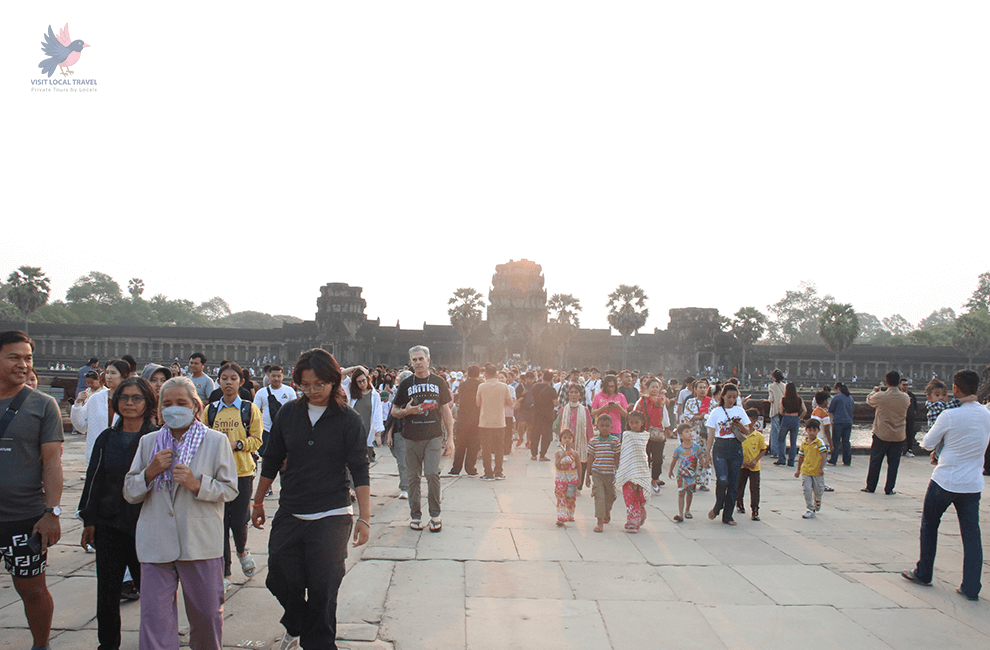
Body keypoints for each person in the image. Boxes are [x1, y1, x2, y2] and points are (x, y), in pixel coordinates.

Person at [251, 348, 371, 650]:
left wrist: (365, 517)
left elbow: (359, 468)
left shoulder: (348, 419)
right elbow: (273, 458)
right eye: (305, 385)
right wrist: (258, 500)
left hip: (332, 513)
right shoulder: (289, 413)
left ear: (333, 381)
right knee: (278, 575)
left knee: (324, 588)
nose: (313, 391)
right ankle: (297, 621)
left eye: (320, 384)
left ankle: (318, 643)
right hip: (292, 509)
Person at [123, 376, 238, 650]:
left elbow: (230, 489)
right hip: (156, 540)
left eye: (181, 403)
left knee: (207, 617)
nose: (174, 408)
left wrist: (197, 484)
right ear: (159, 408)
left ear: (196, 406)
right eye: (168, 403)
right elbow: (130, 491)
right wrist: (150, 472)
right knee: (155, 619)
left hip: (199, 540)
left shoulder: (215, 441)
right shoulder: (150, 442)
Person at [79, 376, 158, 650]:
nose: (129, 403)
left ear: (148, 402)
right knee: (108, 591)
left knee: (151, 592)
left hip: (145, 526)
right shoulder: (107, 437)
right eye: (124, 398)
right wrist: (89, 520)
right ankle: (108, 644)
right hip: (109, 522)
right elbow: (94, 478)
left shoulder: (156, 437)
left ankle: (155, 641)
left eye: (136, 398)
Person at [0, 330, 63, 650]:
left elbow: (52, 463)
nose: (23, 364)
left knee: (33, 589)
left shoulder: (43, 405)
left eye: (28, 358)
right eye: (14, 357)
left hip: (23, 516)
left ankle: (41, 645)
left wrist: (52, 512)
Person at [902, 370, 988, 601]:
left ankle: (924, 572)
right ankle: (971, 587)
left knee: (930, 526)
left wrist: (941, 446)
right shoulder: (986, 414)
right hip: (972, 484)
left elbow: (928, 443)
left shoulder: (950, 415)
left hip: (946, 480)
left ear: (956, 389)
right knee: (971, 535)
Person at [204, 362, 263, 590]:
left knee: (239, 521)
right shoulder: (211, 410)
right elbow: (202, 436)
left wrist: (236, 444)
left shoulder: (249, 409)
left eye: (233, 378)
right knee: (219, 523)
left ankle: (242, 549)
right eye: (224, 378)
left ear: (241, 382)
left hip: (242, 471)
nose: (228, 382)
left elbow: (257, 440)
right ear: (218, 381)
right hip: (216, 473)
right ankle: (225, 571)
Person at [391, 345, 454, 531]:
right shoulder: (405, 384)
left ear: (428, 360)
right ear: (410, 362)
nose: (418, 363)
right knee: (413, 477)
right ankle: (415, 515)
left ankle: (435, 514)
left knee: (432, 474)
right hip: (410, 437)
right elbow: (394, 411)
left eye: (421, 359)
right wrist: (406, 411)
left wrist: (451, 438)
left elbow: (445, 410)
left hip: (433, 436)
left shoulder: (438, 382)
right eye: (414, 360)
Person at [705, 384, 752, 525]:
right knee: (723, 480)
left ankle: (728, 515)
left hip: (735, 448)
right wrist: (707, 454)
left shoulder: (740, 411)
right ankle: (718, 505)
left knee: (733, 483)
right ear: (722, 396)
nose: (731, 400)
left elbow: (748, 431)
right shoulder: (716, 412)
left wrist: (739, 426)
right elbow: (711, 435)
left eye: (734, 397)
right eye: (729, 397)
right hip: (720, 447)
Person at [862, 371, 911, 495]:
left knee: (876, 461)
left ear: (886, 381)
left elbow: (869, 400)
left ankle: (871, 486)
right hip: (899, 434)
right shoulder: (905, 397)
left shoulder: (881, 396)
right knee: (894, 464)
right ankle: (889, 488)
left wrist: (875, 391)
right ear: (899, 382)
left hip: (881, 433)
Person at [72, 359, 129, 464]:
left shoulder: (130, 401)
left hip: (123, 454)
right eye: (107, 373)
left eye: (113, 373)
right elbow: (81, 426)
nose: (108, 376)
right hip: (97, 454)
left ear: (123, 376)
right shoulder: (96, 399)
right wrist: (77, 405)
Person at [476, 363, 514, 481]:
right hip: (499, 421)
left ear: (485, 374)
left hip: (485, 422)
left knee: (486, 448)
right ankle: (499, 471)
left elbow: (478, 403)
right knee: (499, 448)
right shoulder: (504, 386)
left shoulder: (481, 386)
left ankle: (488, 473)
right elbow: (510, 402)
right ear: (497, 374)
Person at [615, 410, 651, 533]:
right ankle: (633, 521)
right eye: (631, 423)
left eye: (637, 422)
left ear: (642, 423)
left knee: (639, 495)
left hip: (640, 468)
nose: (634, 425)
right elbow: (625, 452)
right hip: (628, 468)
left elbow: (642, 454)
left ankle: (640, 512)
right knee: (629, 496)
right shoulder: (627, 435)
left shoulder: (645, 436)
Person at [633, 378, 671, 494]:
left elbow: (665, 416)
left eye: (657, 387)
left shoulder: (661, 401)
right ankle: (642, 481)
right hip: (643, 433)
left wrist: (667, 428)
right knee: (644, 459)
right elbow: (635, 414)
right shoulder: (642, 400)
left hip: (657, 433)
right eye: (652, 387)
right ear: (647, 388)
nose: (654, 389)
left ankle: (654, 479)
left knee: (657, 459)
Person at [556, 383, 594, 493]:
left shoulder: (585, 410)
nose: (573, 394)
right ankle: (568, 483)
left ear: (580, 396)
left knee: (581, 463)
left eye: (576, 392)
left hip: (581, 441)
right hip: (567, 440)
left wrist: (590, 441)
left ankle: (579, 484)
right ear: (568, 394)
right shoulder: (564, 410)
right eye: (571, 392)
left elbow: (589, 427)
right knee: (567, 463)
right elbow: (561, 426)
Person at [585, 415, 620, 533]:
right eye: (602, 426)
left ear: (611, 427)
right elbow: (590, 458)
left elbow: (617, 458)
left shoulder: (615, 441)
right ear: (597, 427)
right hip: (597, 473)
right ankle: (599, 522)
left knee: (610, 496)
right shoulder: (594, 441)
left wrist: (619, 473)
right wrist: (587, 475)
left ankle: (607, 510)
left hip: (610, 474)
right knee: (599, 497)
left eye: (607, 426)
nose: (604, 428)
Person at [253, 365, 295, 457]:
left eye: (279, 376)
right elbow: (255, 412)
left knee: (284, 458)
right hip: (266, 429)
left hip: (284, 430)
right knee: (266, 457)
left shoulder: (289, 391)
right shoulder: (261, 392)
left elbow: (295, 411)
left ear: (283, 376)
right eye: (273, 376)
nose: (276, 378)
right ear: (268, 376)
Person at [384, 370, 413, 499]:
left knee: (406, 462)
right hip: (399, 431)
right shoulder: (398, 396)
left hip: (413, 433)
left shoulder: (416, 396)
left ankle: (406, 487)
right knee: (401, 460)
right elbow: (392, 417)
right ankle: (407, 486)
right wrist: (389, 434)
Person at [669, 424, 705, 523]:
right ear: (681, 436)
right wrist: (670, 470)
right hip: (681, 475)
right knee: (681, 493)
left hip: (692, 476)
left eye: (691, 431)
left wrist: (705, 465)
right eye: (687, 432)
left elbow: (701, 459)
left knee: (690, 493)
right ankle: (680, 513)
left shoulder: (697, 448)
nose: (690, 433)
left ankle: (687, 510)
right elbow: (674, 460)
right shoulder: (679, 449)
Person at [736, 407, 767, 521]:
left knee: (754, 488)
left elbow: (763, 449)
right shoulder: (739, 434)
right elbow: (736, 449)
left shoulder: (758, 436)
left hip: (754, 466)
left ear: (753, 420)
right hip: (742, 465)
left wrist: (755, 460)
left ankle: (755, 509)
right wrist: (741, 460)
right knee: (740, 485)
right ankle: (739, 502)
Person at [449, 364, 481, 476]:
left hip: (462, 418)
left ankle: (456, 468)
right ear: (478, 373)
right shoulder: (480, 385)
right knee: (473, 445)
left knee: (460, 445)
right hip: (476, 418)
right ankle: (470, 468)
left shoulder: (462, 385)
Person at [795, 419, 828, 519]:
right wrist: (798, 470)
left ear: (818, 431)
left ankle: (817, 501)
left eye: (814, 430)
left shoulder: (819, 443)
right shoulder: (804, 443)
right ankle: (810, 508)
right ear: (806, 430)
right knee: (807, 489)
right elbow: (801, 457)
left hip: (817, 471)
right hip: (806, 470)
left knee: (818, 490)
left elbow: (823, 455)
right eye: (809, 430)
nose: (811, 433)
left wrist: (821, 468)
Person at [773, 383, 806, 467]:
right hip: (795, 420)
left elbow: (780, 412)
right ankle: (791, 461)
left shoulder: (783, 399)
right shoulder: (799, 399)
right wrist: (800, 417)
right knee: (793, 442)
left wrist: (784, 414)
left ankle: (782, 459)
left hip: (786, 418)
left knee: (781, 439)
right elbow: (805, 410)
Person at [530, 370, 558, 461]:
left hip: (536, 413)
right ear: (551, 379)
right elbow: (556, 403)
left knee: (535, 434)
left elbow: (533, 398)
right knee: (546, 436)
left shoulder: (535, 387)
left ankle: (533, 455)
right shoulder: (552, 389)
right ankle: (542, 455)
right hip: (547, 415)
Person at [554, 429, 580, 527]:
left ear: (573, 440)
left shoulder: (575, 454)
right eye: (564, 438)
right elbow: (557, 465)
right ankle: (561, 517)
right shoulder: (558, 453)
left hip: (571, 480)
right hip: (561, 480)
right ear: (560, 440)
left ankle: (570, 512)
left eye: (569, 438)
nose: (567, 440)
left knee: (570, 498)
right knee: (560, 497)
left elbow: (579, 467)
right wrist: (562, 457)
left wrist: (580, 480)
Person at [827, 382, 855, 466]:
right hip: (848, 422)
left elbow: (831, 409)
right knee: (846, 441)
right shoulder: (850, 398)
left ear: (838, 389)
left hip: (838, 422)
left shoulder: (837, 397)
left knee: (836, 441)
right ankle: (847, 460)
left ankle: (833, 459)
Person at [767, 369, 786, 459]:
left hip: (775, 411)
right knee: (782, 432)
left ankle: (775, 452)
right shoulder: (785, 386)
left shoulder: (772, 387)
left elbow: (771, 399)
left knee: (774, 432)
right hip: (783, 411)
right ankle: (782, 451)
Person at [900, 378, 920, 456]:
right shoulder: (898, 395)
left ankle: (909, 450)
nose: (905, 386)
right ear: (899, 385)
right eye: (904, 385)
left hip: (910, 417)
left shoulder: (911, 395)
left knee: (910, 433)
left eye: (907, 385)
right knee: (900, 434)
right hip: (900, 417)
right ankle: (901, 449)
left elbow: (915, 407)